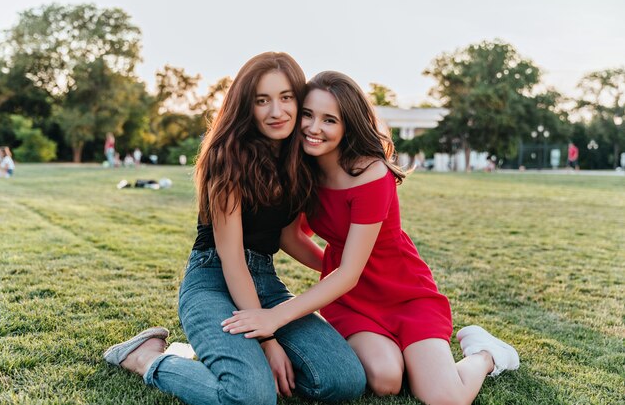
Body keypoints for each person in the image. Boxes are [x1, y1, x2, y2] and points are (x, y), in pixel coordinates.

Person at [221, 71, 519, 404]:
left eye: (329, 120)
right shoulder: (302, 171)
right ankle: (412, 362)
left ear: (348, 125)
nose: (313, 127)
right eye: (308, 114)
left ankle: (485, 353)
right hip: (351, 301)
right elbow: (291, 239)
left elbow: (350, 272)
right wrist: (334, 269)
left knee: (446, 399)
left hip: (405, 293)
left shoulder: (372, 172)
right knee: (385, 379)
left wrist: (277, 315)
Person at [103, 53, 365, 405]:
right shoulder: (226, 157)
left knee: (345, 380)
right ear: (247, 105)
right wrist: (267, 340)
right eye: (263, 100)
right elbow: (232, 259)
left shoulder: (297, 159)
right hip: (212, 279)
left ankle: (235, 361)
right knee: (251, 398)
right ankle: (146, 357)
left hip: (265, 283)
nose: (277, 111)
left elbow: (289, 237)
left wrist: (339, 269)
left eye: (286, 97)